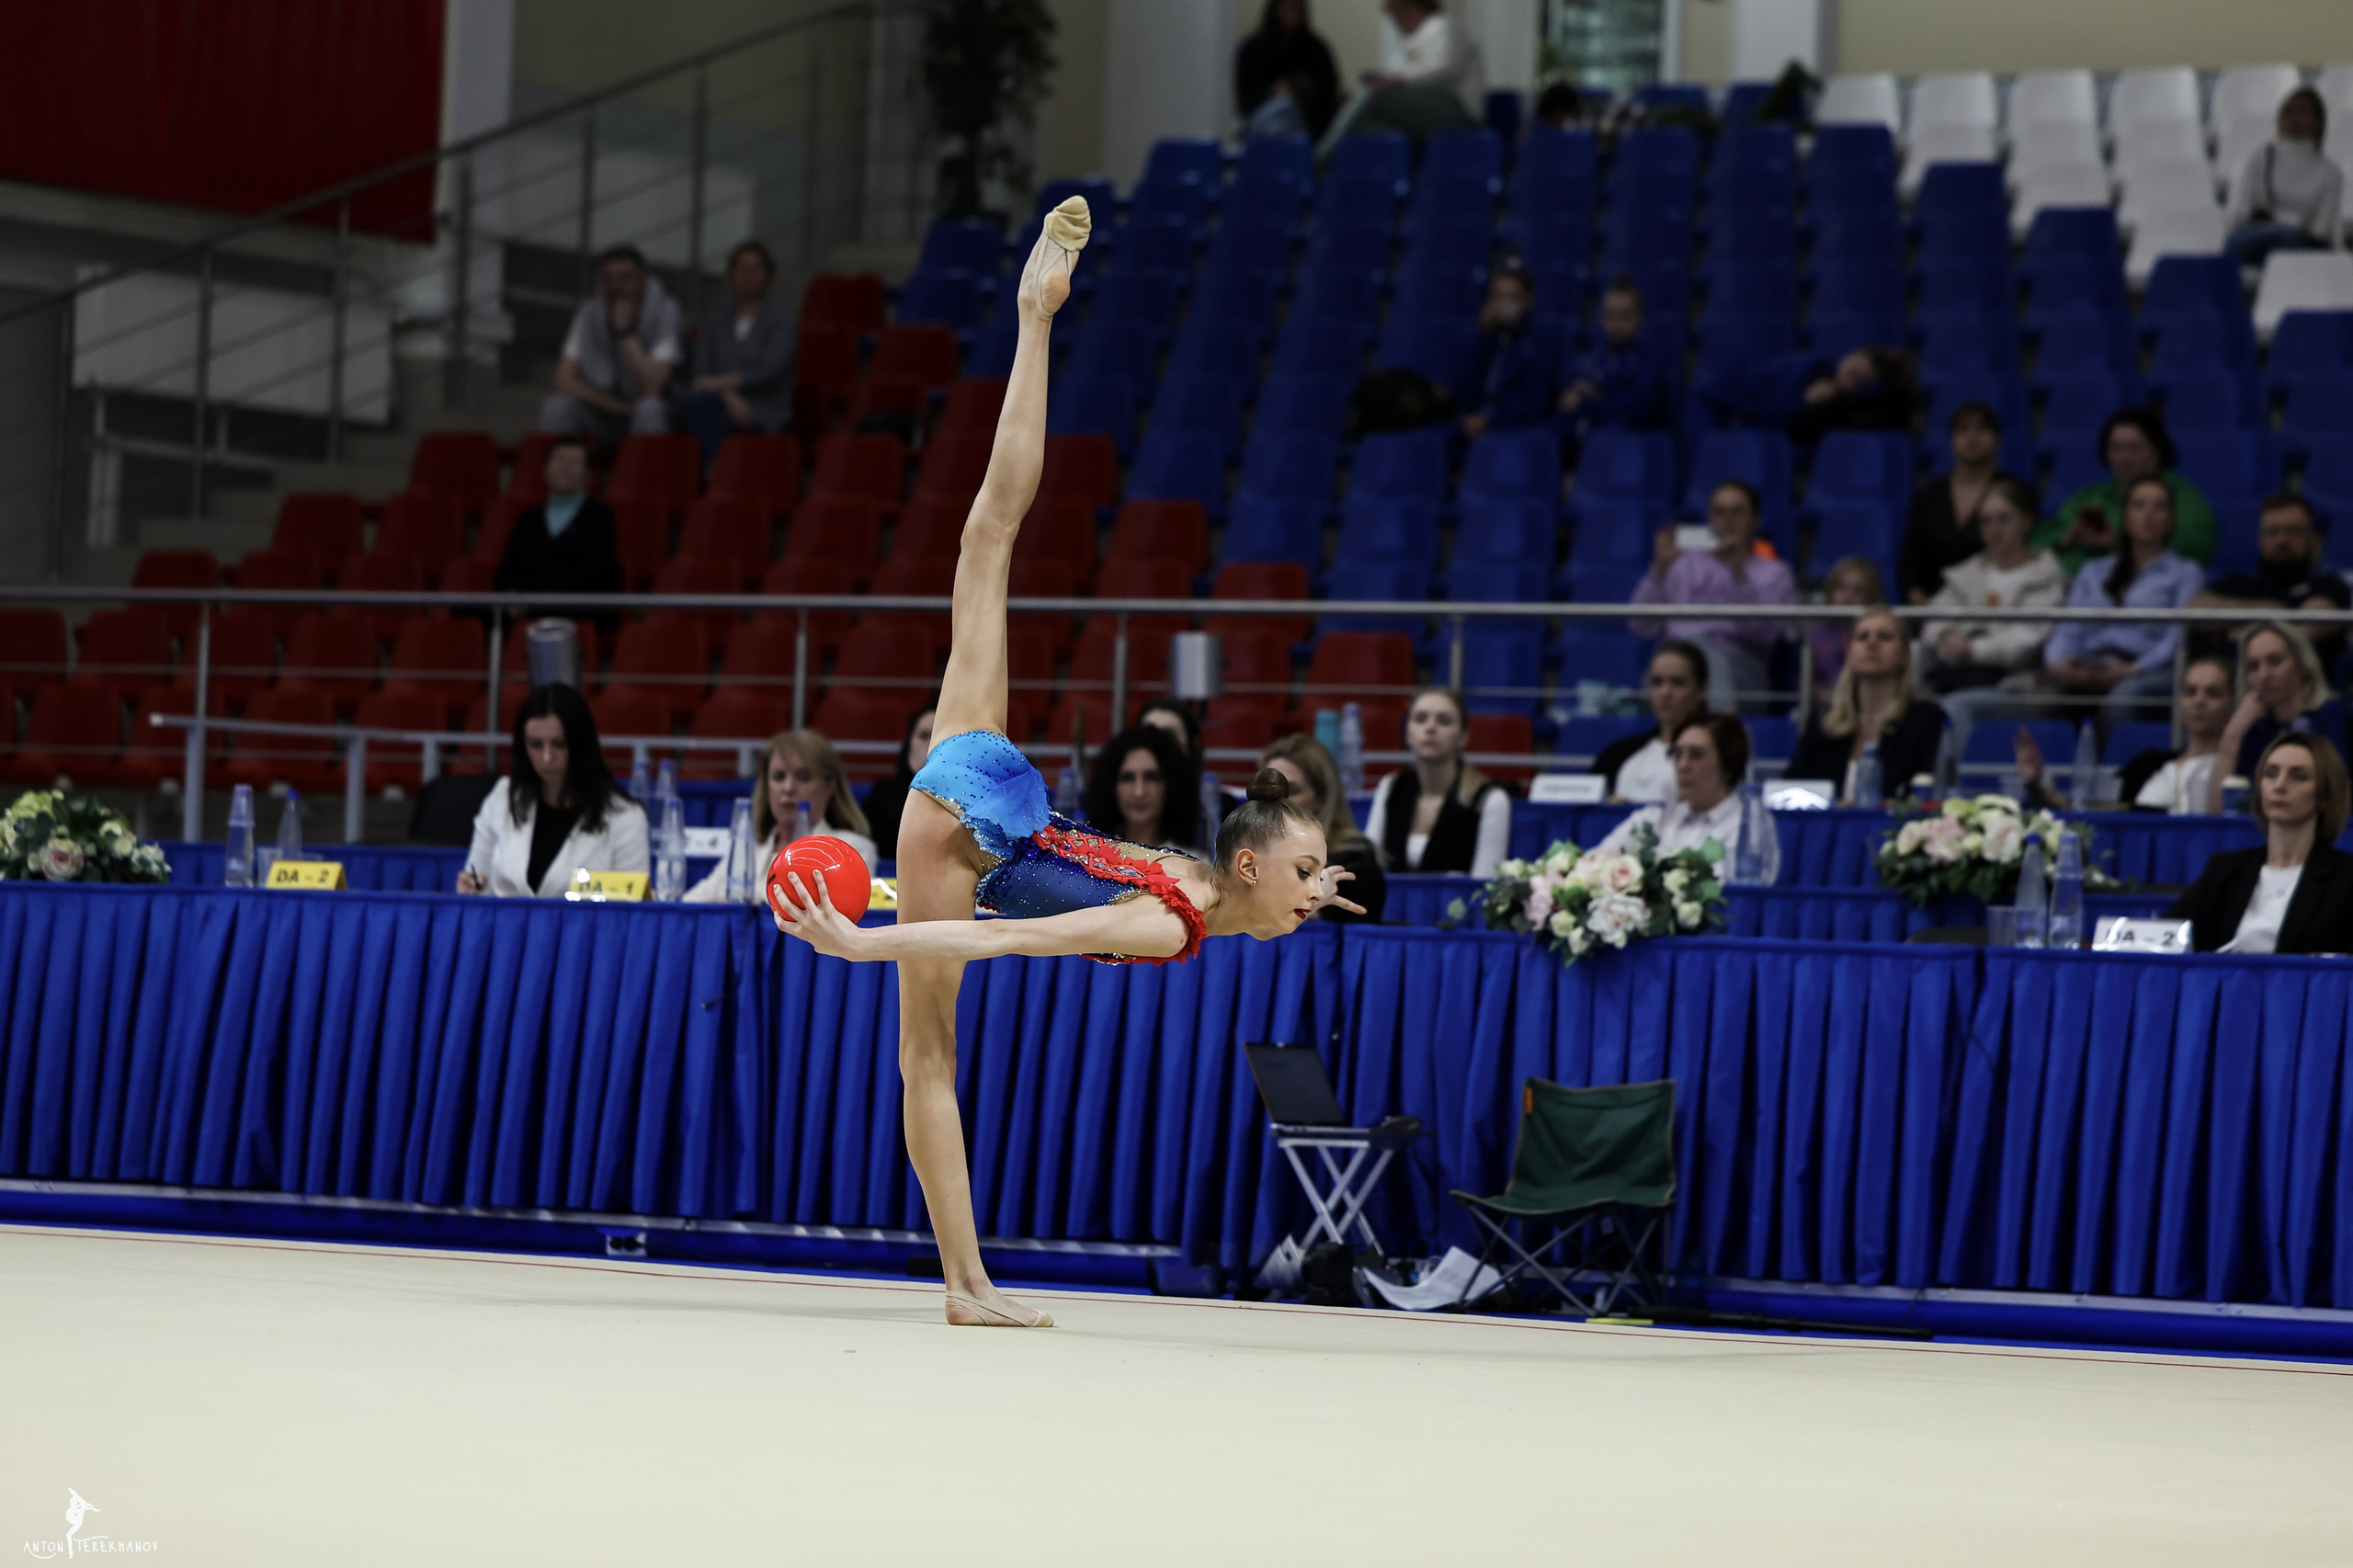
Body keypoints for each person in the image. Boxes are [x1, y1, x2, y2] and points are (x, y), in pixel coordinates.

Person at [768, 201, 1365, 1328]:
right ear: (1243, 869)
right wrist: (864, 942)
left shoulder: (1203, 877)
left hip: (998, 781)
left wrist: (1305, 879)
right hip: (969, 841)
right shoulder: (1164, 922)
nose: (1310, 897)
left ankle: (1035, 316)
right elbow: (1001, 937)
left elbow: (1244, 870)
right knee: (927, 1056)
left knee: (989, 536)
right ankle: (966, 1286)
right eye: (1303, 877)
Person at [1915, 478, 2069, 752]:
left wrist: (1972, 649)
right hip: (1960, 675)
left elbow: (2026, 643)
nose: (1994, 529)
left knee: (1954, 708)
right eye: (1986, 521)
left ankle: (1946, 785)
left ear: (2027, 522)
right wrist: (1946, 635)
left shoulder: (2047, 577)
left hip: (2019, 687)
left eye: (2003, 519)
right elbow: (1934, 620)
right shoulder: (1966, 573)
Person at [2041, 476, 2205, 731]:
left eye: (2158, 506)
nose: (2148, 514)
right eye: (2139, 505)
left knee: (2124, 696)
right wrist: (2060, 663)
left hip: (2148, 670)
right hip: (2090, 665)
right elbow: (2068, 629)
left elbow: (2176, 639)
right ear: (2126, 515)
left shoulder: (2186, 573)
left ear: (2171, 518)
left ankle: (2112, 769)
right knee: (2052, 696)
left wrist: (2133, 669)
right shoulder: (2093, 571)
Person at [2167, 733, 2353, 955]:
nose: (2280, 785)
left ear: (2325, 796)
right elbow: (2169, 937)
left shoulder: (2346, 878)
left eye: (2299, 777)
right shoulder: (2225, 870)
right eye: (2271, 774)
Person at [457, 684, 649, 896]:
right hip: (507, 928)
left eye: (559, 744)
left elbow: (632, 913)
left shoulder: (625, 817)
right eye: (536, 745)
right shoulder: (502, 797)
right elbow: (478, 882)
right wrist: (470, 890)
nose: (547, 757)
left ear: (580, 744)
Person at [1630, 480, 1799, 712]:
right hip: (1674, 665)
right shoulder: (1681, 564)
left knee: (1699, 652)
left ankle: (1718, 733)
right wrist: (1658, 569)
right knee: (1672, 663)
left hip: (1742, 674)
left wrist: (1738, 574)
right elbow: (1640, 624)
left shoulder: (1776, 573)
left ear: (1755, 521)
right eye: (1719, 512)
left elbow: (1767, 636)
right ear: (1709, 518)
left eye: (1737, 512)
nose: (1727, 521)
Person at [2019, 654, 2234, 814]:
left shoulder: (2239, 770)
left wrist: (2237, 730)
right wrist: (2036, 787)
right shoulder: (2146, 765)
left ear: (2232, 704)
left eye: (2212, 693)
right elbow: (2094, 813)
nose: (2199, 702)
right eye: (2190, 692)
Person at [687, 730, 877, 903]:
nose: (788, 788)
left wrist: (744, 904)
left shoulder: (850, 849)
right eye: (779, 777)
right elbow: (689, 905)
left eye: (804, 777)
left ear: (830, 786)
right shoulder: (749, 847)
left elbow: (829, 909)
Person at [1593, 712, 1779, 883]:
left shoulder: (1748, 827)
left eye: (1696, 755)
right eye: (1677, 754)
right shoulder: (1652, 818)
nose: (1682, 765)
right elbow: (1594, 863)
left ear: (1728, 764)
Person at [1786, 609, 1949, 801]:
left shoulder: (1926, 719)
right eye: (1862, 637)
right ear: (1849, 650)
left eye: (1885, 637)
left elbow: (1925, 791)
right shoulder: (1826, 719)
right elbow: (1791, 788)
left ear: (1905, 654)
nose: (1872, 643)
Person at [2036, 407, 2217, 573]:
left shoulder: (2180, 496)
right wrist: (2064, 541)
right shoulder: (2089, 496)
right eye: (2116, 448)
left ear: (2158, 451)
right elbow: (2031, 545)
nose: (2124, 458)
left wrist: (2120, 544)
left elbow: (2198, 550)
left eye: (2135, 448)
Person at [2191, 494, 2350, 673]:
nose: (2282, 540)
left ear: (2313, 539)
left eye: (2293, 531)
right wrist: (2274, 609)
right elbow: (2195, 611)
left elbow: (2312, 626)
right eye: (2273, 531)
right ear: (2261, 539)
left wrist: (2245, 632)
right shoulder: (2237, 584)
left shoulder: (2329, 585)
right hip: (2232, 692)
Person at [1363, 687, 1512, 876]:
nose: (1430, 727)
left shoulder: (1490, 799)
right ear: (1407, 732)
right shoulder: (1391, 786)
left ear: (1463, 736)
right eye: (1420, 719)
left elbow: (1483, 888)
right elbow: (1368, 869)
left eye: (1444, 721)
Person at [541, 245, 683, 441]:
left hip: (648, 412)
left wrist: (625, 332)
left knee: (649, 408)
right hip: (604, 409)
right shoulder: (589, 312)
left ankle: (646, 471)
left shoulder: (667, 311)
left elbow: (652, 387)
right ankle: (564, 470)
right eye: (608, 279)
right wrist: (616, 407)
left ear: (643, 280)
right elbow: (564, 381)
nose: (615, 286)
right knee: (556, 406)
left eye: (625, 278)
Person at [2209, 620, 2353, 812]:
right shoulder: (2251, 729)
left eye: (2274, 661)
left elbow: (2341, 801)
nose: (2263, 674)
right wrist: (2232, 734)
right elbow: (2216, 812)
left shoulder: (2338, 714)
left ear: (2302, 666)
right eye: (2253, 667)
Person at [676, 241, 796, 469]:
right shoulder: (714, 321)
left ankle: (719, 473)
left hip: (764, 411)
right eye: (742, 269)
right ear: (731, 276)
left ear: (768, 276)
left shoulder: (782, 320)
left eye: (755, 269)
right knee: (693, 401)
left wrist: (721, 383)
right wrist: (729, 396)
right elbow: (701, 374)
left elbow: (770, 370)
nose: (748, 275)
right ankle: (717, 472)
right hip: (720, 405)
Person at [493, 437, 624, 633]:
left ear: (588, 473)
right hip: (526, 606)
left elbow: (594, 571)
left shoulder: (599, 516)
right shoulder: (529, 518)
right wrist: (513, 597)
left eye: (573, 463)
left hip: (574, 605)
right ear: (546, 468)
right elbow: (507, 571)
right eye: (559, 460)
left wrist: (536, 599)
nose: (565, 468)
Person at [1901, 402, 2024, 603]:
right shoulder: (1928, 495)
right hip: (1930, 606)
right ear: (1951, 439)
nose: (1972, 437)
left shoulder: (2015, 492)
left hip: (1998, 603)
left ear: (1998, 439)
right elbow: (1909, 559)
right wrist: (1923, 604)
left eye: (1982, 429)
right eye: (1963, 429)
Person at [1317, 0, 1483, 151]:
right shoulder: (1407, 41)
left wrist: (1398, 80)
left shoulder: (1442, 27)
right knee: (1370, 127)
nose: (1395, 19)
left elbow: (1445, 68)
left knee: (1375, 96)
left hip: (1457, 111)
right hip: (1422, 114)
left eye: (1394, 11)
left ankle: (1323, 154)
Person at [1261, 733, 1386, 921]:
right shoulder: (1246, 855)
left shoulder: (1354, 861)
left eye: (1292, 791)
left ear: (1322, 797)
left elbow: (1356, 937)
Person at [2223, 86, 2345, 270]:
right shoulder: (2260, 158)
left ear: (2319, 120)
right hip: (2255, 240)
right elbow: (2242, 212)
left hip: (2301, 245)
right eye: (2287, 111)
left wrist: (2282, 221)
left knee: (2290, 241)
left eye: (2301, 111)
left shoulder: (2331, 173)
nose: (2293, 117)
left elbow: (2320, 230)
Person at [1592, 640, 1710, 802]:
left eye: (1678, 682)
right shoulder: (1616, 755)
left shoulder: (1715, 757)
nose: (1665, 692)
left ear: (1702, 690)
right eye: (1657, 682)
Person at [1558, 277, 1668, 443]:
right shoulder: (1590, 358)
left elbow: (1640, 408)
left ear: (1639, 317)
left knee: (1609, 435)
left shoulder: (1648, 361)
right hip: (1585, 428)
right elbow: (1567, 395)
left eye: (1625, 316)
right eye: (1611, 315)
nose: (1617, 324)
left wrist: (1593, 403)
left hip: (1624, 435)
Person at [1457, 267, 1559, 438]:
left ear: (1528, 300)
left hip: (1511, 426)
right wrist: (1482, 337)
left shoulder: (1539, 344)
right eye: (1498, 297)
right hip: (1471, 423)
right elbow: (1459, 387)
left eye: (1512, 297)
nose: (1503, 305)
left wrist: (1490, 420)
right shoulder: (1484, 339)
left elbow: (1534, 402)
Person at [1084, 722, 1205, 856]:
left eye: (1151, 777)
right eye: (1128, 778)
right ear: (1111, 786)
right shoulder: (1091, 855)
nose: (1139, 792)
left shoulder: (1192, 863)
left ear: (1171, 784)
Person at [1235, 0, 1340, 141]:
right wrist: (1273, 92)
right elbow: (1244, 100)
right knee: (1281, 111)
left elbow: (1329, 92)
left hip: (1309, 126)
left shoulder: (1316, 49)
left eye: (1296, 8)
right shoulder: (1252, 49)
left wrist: (1301, 92)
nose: (1292, 13)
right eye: (1287, 7)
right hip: (1261, 123)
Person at [1787, 346, 1915, 446]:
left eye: (1857, 378)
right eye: (1850, 370)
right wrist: (1804, 402)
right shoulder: (1813, 370)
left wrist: (1808, 404)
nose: (1846, 379)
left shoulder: (1849, 406)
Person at [859, 703, 936, 862]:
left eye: (939, 737)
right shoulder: (883, 795)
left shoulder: (970, 804)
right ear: (909, 742)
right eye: (924, 735)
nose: (931, 745)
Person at [1808, 556, 1889, 690]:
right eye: (1841, 588)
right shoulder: (1816, 633)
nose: (1847, 596)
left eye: (1858, 590)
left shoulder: (1878, 635)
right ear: (1829, 591)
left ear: (1872, 596)